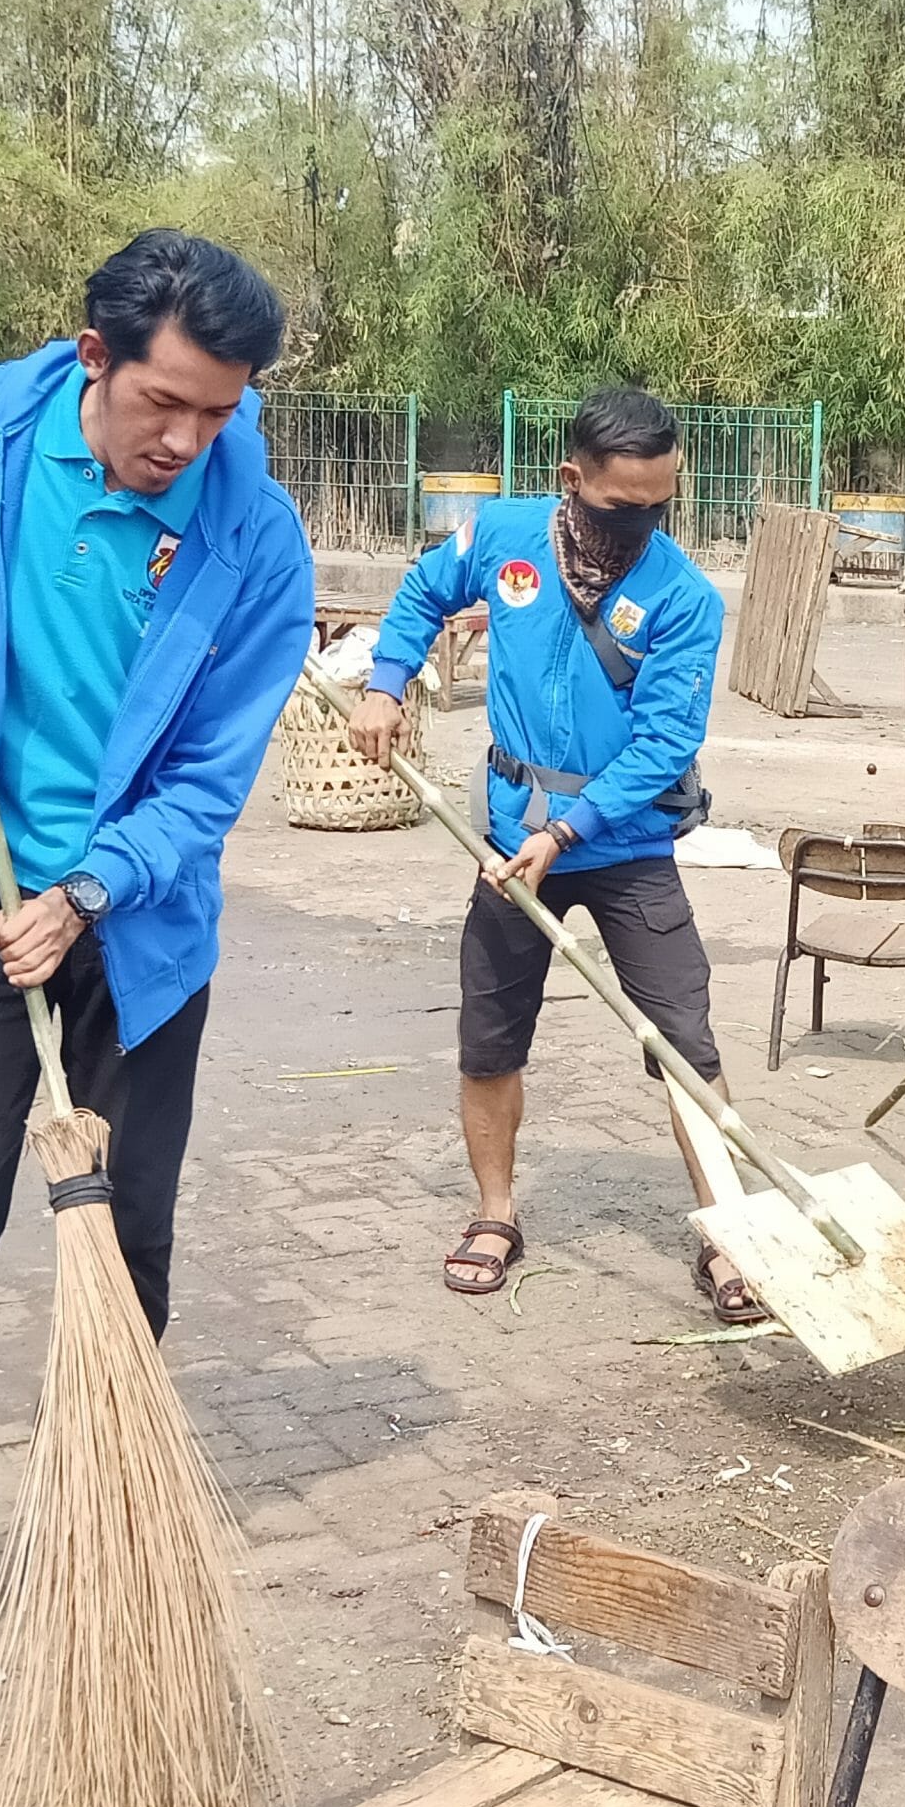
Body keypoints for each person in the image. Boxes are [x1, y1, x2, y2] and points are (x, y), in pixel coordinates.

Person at [0, 232, 313, 1712]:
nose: (189, 441)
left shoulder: (251, 533)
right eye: (166, 403)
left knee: (123, 1243)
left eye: (219, 412)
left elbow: (210, 783)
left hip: (134, 937)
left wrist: (91, 891)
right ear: (95, 358)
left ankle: (107, 1529)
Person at [347, 387, 764, 1317]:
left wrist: (567, 830)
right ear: (571, 480)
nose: (641, 526)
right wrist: (386, 680)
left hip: (624, 844)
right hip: (504, 843)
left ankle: (731, 1230)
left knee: (685, 1044)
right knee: (489, 1041)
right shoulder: (500, 539)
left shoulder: (684, 598)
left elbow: (663, 743)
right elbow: (421, 591)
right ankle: (495, 1213)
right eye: (622, 508)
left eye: (661, 506)